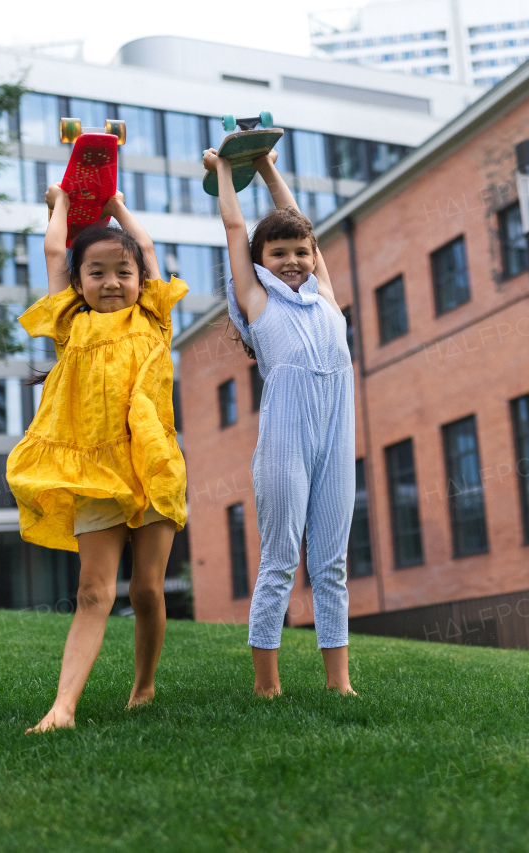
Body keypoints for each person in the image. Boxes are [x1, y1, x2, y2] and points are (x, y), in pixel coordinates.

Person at [7, 185, 189, 732]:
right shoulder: (69, 322)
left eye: (123, 272)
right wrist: (61, 205)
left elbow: (148, 247)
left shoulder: (155, 316)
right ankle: (62, 709)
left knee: (147, 589)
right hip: (93, 473)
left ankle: (144, 684)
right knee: (93, 592)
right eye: (97, 273)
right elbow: (54, 253)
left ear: (138, 279)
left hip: (152, 466)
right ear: (80, 282)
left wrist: (113, 206)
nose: (112, 282)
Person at [207, 145, 355, 697]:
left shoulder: (327, 300)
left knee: (331, 565)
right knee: (279, 562)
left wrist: (268, 168)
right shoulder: (257, 301)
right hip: (284, 448)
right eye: (278, 253)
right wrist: (225, 170)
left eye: (301, 252)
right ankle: (266, 686)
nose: (292, 259)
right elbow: (233, 223)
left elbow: (302, 224)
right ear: (259, 261)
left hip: (336, 443)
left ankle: (338, 684)